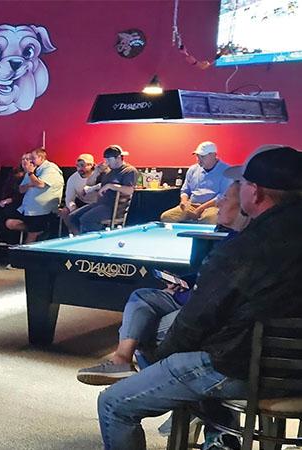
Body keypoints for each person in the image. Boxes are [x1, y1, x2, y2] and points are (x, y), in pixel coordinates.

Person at [97, 145, 302, 450]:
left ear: (255, 194)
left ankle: (218, 433)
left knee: (114, 403)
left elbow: (196, 321)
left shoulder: (243, 249)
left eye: (242, 184)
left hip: (245, 369)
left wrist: (157, 360)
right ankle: (220, 437)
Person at [77, 180, 249, 386]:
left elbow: (214, 297)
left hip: (201, 310)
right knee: (140, 297)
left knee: (142, 331)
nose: (218, 203)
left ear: (246, 204)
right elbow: (208, 279)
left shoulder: (241, 246)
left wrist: (183, 293)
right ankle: (122, 361)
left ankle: (151, 388)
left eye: (225, 198)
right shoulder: (229, 236)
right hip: (189, 297)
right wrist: (183, 283)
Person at [67, 145, 138, 235]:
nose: (107, 162)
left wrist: (110, 186)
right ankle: (81, 238)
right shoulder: (108, 170)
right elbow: (89, 184)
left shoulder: (129, 170)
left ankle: (95, 240)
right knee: (72, 217)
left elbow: (130, 190)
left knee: (86, 219)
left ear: (118, 158)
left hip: (114, 207)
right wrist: (97, 171)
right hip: (100, 203)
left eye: (109, 160)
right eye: (106, 160)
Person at [160, 141, 231, 224]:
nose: (199, 160)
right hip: (191, 205)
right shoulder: (193, 169)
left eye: (202, 156)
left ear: (213, 155)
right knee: (166, 217)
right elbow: (185, 191)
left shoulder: (226, 170)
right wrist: (184, 202)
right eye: (197, 156)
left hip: (213, 207)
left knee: (209, 219)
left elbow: (222, 196)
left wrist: (200, 209)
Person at [5, 148, 63, 242]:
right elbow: (21, 189)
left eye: (33, 158)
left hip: (43, 210)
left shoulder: (50, 169)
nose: (30, 161)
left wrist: (31, 174)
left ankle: (27, 249)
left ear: (41, 157)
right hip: (28, 209)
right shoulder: (32, 170)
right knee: (10, 223)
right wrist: (30, 183)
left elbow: (40, 184)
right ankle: (39, 231)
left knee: (31, 234)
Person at [58, 153, 99, 222]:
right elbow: (69, 199)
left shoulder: (99, 174)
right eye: (77, 166)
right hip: (82, 202)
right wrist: (73, 208)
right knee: (65, 212)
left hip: (97, 204)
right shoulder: (73, 179)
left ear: (92, 165)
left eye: (82, 165)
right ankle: (76, 232)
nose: (80, 168)